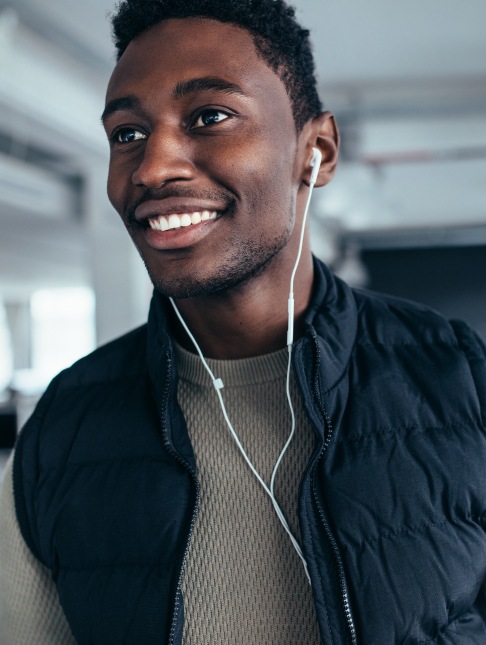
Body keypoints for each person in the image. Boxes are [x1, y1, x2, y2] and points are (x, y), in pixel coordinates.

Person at [1, 0, 485, 643]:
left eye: (210, 116)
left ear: (315, 152)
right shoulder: (64, 427)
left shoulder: (461, 379)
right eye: (127, 134)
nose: (152, 167)